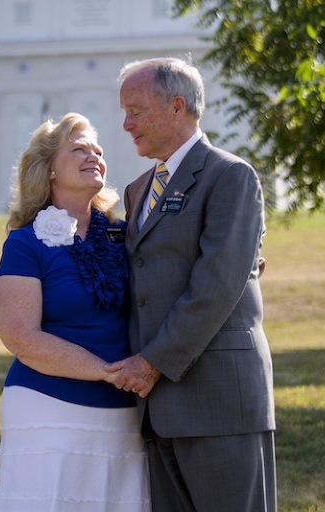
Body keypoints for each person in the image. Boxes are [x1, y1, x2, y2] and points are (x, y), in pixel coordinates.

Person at [106, 57, 277, 511]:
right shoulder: (138, 189)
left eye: (136, 111)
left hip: (219, 400)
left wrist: (152, 363)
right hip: (157, 411)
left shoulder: (230, 175)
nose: (126, 124)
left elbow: (216, 285)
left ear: (177, 106)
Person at [0, 112, 151, 511]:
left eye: (97, 149)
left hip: (125, 411)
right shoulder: (25, 244)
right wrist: (104, 370)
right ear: (48, 170)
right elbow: (20, 337)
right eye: (78, 148)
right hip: (48, 410)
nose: (93, 155)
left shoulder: (127, 235)